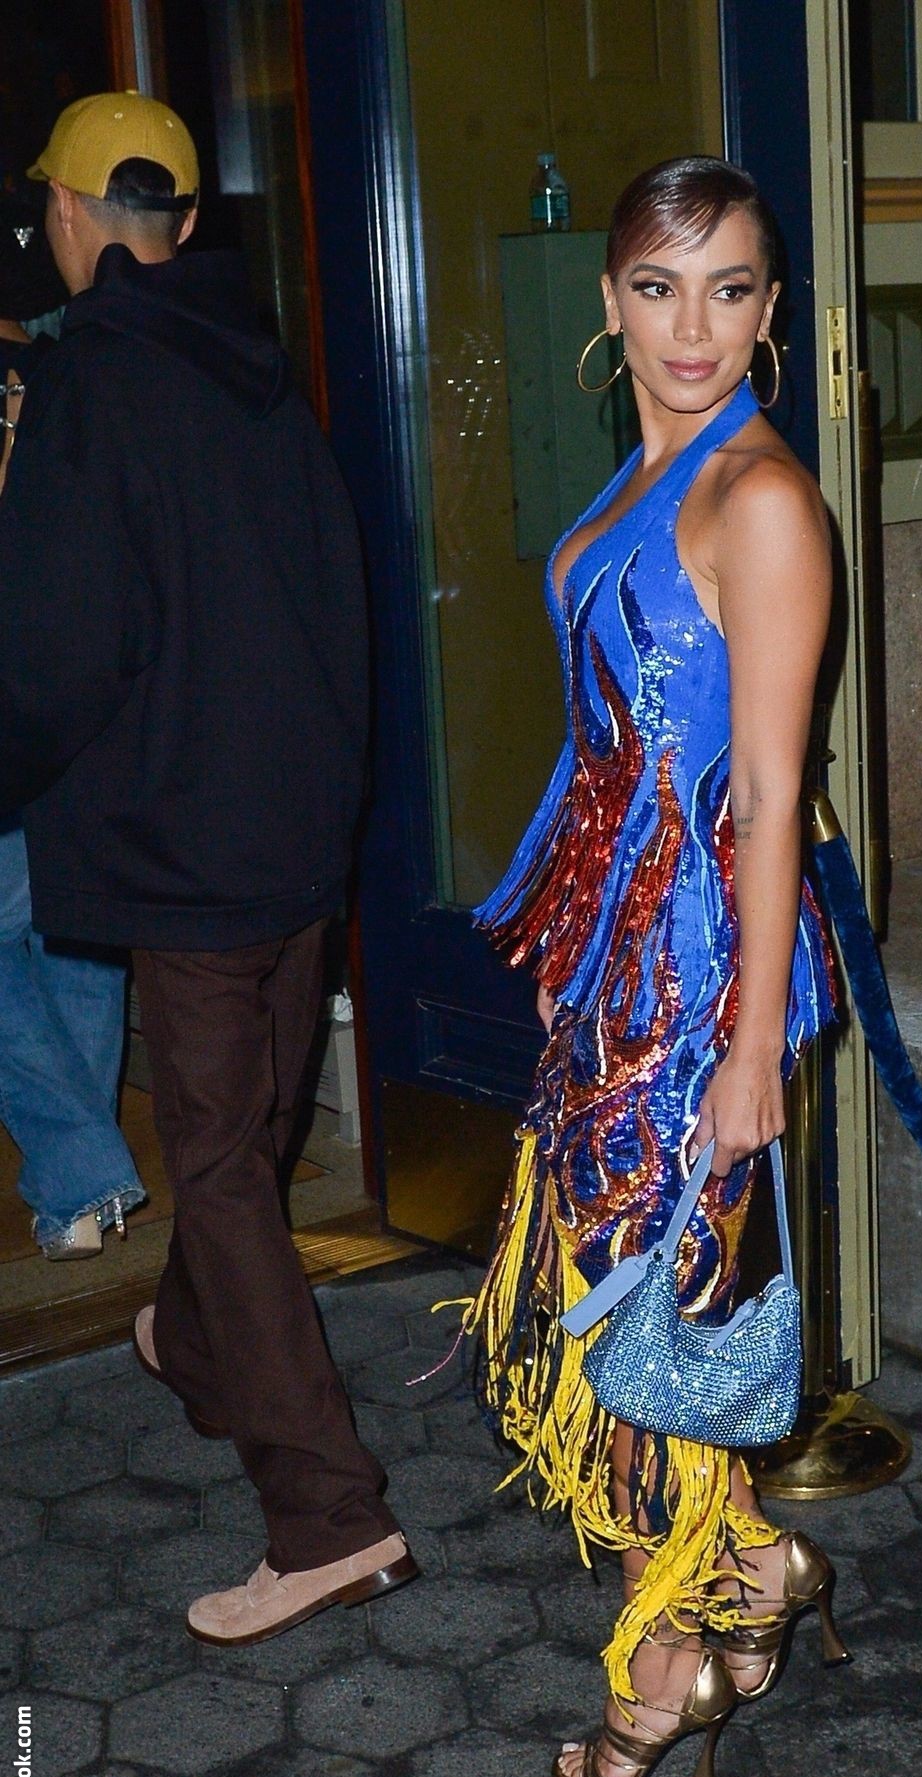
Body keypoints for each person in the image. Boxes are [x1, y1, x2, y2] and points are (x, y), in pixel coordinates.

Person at [447, 157, 844, 1777]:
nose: (694, 328)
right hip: (618, 973)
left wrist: (747, 1053)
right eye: (660, 289)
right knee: (644, 1321)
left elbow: (769, 795)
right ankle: (757, 1577)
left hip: (699, 992)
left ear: (770, 307)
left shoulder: (761, 501)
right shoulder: (643, 476)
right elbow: (603, 752)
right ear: (610, 303)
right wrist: (567, 940)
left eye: (729, 290)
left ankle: (662, 1672)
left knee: (637, 1343)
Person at [0, 93, 416, 1640]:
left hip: (189, 853)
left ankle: (329, 1519)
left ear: (73, 215)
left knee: (224, 1167)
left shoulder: (90, 385)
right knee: (248, 1132)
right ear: (181, 223)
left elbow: (56, 649)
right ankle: (192, 1339)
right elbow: (337, 597)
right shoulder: (261, 373)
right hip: (297, 834)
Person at [0, 191, 146, 1261]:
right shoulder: (78, 380)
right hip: (84, 702)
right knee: (76, 942)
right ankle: (81, 1194)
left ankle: (82, 1175)